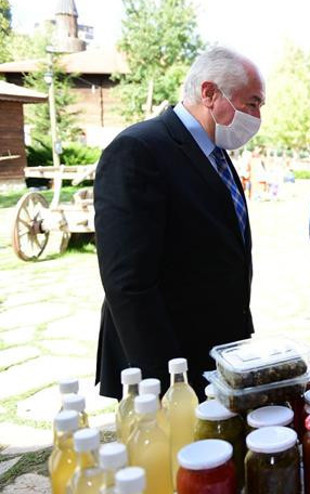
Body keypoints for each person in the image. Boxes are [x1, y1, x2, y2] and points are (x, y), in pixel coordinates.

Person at [94, 47, 264, 399]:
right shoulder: (139, 150)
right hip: (168, 361)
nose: (258, 116)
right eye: (252, 103)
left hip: (214, 350)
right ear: (209, 93)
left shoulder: (215, 153)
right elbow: (128, 283)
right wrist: (166, 381)